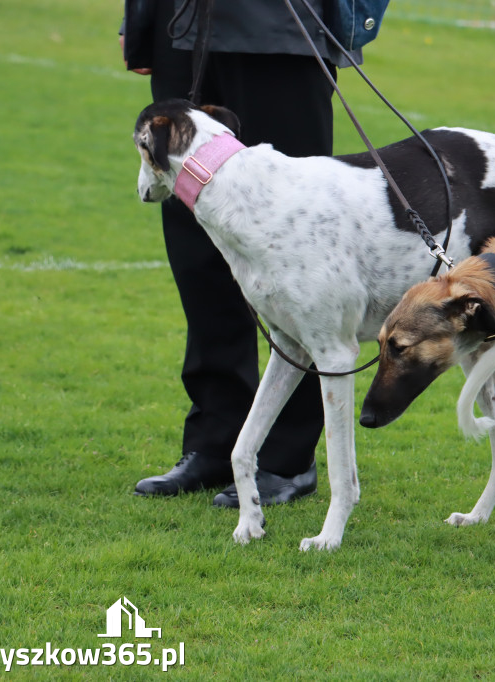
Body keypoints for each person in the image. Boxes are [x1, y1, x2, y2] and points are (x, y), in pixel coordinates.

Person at [120, 0, 364, 507]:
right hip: (181, 25)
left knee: (300, 249)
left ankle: (287, 457)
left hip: (283, 28)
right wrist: (140, 20)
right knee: (197, 254)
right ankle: (216, 441)